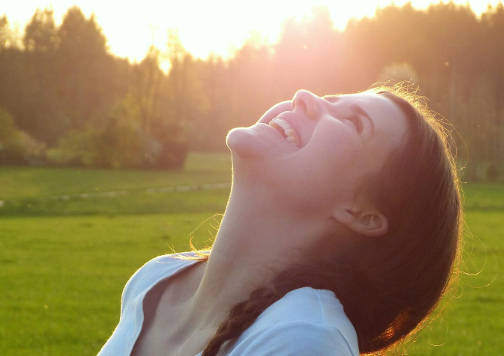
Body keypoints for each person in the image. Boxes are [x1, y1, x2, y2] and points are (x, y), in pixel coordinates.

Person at [98, 86, 462, 356]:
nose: (304, 95)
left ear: (362, 214)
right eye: (331, 96)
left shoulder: (304, 337)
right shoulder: (154, 280)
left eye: (353, 122)